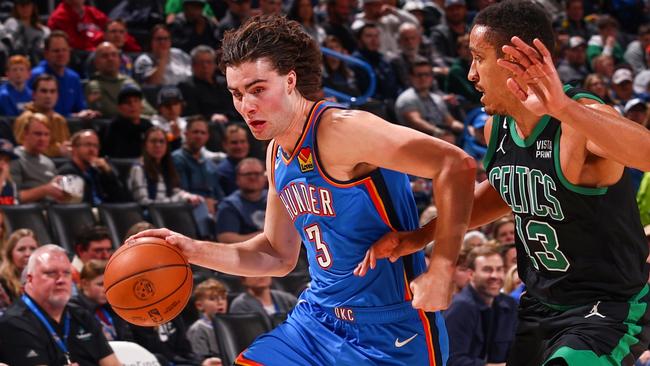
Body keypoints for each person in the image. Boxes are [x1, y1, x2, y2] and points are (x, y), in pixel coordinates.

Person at [130, 14, 475, 365]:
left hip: (390, 330)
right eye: (237, 94)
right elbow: (277, 254)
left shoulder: (343, 130)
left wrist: (443, 266)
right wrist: (191, 250)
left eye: (258, 89)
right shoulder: (276, 152)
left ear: (290, 80)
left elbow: (456, 165)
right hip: (317, 319)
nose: (246, 106)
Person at [360, 1, 650, 365]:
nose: (470, 74)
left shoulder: (580, 120)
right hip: (539, 306)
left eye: (478, 58)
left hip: (606, 307)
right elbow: (504, 191)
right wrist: (422, 236)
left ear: (515, 59)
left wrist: (562, 107)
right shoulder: (495, 128)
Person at [0, 244, 121, 365]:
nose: (61, 280)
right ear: (30, 279)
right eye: (51, 273)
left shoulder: (82, 315)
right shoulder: (14, 323)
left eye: (66, 273)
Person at [444, 244, 518, 366]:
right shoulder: (460, 308)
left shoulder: (509, 305)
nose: (495, 276)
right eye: (487, 270)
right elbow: (453, 361)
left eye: (499, 269)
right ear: (471, 274)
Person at [29, 31, 99, 118]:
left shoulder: (74, 78)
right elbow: (32, 109)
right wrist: (74, 116)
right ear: (46, 54)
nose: (61, 54)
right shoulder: (35, 76)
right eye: (56, 51)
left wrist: (87, 113)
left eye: (64, 50)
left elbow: (80, 108)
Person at [128, 126, 203, 206]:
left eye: (162, 141)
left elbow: (174, 191)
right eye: (153, 141)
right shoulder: (138, 169)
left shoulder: (166, 167)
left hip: (167, 214)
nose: (158, 145)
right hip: (150, 216)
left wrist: (188, 196)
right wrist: (176, 199)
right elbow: (144, 203)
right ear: (145, 145)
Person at [58, 129, 131, 205]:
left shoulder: (98, 171)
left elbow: (122, 199)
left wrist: (108, 172)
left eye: (96, 146)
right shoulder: (67, 172)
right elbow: (74, 205)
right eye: (88, 145)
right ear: (74, 148)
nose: (92, 149)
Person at [69, 259, 135, 342]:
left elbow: (129, 340)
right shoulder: (73, 310)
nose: (105, 289)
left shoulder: (114, 305)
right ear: (85, 284)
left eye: (108, 284)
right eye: (100, 284)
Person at [86, 41, 154, 119]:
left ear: (119, 60)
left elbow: (147, 109)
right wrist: (138, 116)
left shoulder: (129, 81)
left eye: (114, 55)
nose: (110, 59)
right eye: (105, 56)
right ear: (96, 63)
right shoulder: (94, 85)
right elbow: (109, 111)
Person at [172, 115, 225, 216]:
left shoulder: (210, 163)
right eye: (195, 132)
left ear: (207, 137)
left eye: (203, 133)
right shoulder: (177, 158)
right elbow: (182, 191)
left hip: (214, 210)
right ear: (186, 134)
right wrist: (204, 202)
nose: (199, 136)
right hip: (189, 210)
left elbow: (219, 193)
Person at [10, 113, 68, 203]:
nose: (42, 139)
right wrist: (45, 190)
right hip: (25, 214)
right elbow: (12, 198)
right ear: (25, 134)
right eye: (38, 134)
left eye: (46, 134)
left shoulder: (48, 162)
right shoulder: (14, 159)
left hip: (50, 212)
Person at [14, 74, 71, 158]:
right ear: (34, 94)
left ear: (57, 95)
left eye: (52, 91)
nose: (48, 96)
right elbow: (24, 150)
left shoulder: (60, 120)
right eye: (44, 91)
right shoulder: (26, 118)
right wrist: (58, 150)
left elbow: (66, 147)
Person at [215, 157, 266, 243]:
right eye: (248, 174)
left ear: (265, 177)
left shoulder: (276, 199)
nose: (253, 178)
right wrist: (266, 236)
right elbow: (226, 238)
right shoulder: (229, 205)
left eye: (257, 174)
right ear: (237, 179)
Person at [102, 84, 154, 158]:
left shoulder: (148, 126)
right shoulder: (114, 128)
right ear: (119, 108)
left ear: (141, 105)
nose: (132, 105)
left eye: (136, 101)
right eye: (127, 102)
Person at [186, 278, 228, 363]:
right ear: (199, 305)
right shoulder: (198, 328)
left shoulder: (230, 326)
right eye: (212, 299)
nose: (220, 302)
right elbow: (200, 358)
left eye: (223, 298)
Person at [230, 275, 298, 321]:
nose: (261, 275)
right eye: (254, 271)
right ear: (243, 279)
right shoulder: (240, 305)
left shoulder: (288, 299)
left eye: (266, 271)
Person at [0, 229, 39, 302]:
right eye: (21, 249)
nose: (28, 254)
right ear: (10, 255)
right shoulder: (2, 283)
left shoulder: (46, 279)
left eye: (33, 249)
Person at [215, 124, 250, 195]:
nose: (239, 146)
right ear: (225, 145)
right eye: (234, 143)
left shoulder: (256, 167)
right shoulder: (221, 172)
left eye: (242, 141)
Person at [0, 138, 19, 205]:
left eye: (7, 160)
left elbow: (14, 209)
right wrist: (2, 178)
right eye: (0, 158)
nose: (3, 163)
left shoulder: (11, 185)